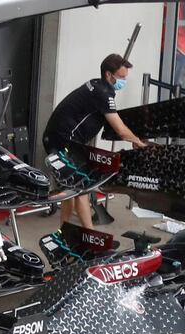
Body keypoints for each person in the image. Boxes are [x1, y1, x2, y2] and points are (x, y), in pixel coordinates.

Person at [43, 54, 147, 229]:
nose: (124, 81)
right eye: (121, 77)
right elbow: (120, 130)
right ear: (109, 74)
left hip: (59, 138)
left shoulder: (97, 85)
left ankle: (66, 232)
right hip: (63, 141)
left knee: (71, 189)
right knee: (80, 188)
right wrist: (138, 141)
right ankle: (88, 236)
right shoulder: (102, 93)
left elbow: (114, 122)